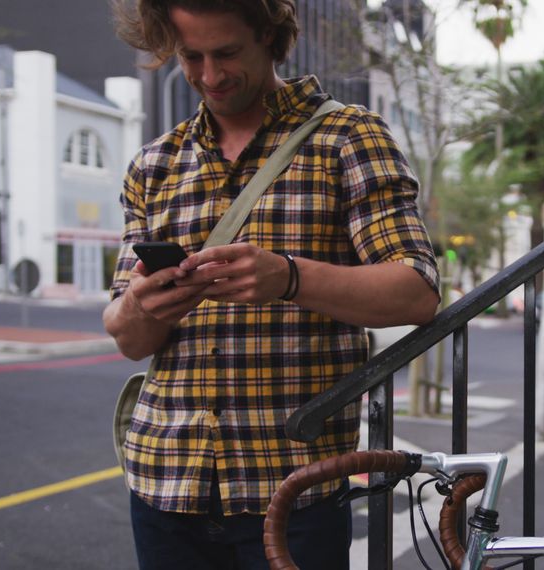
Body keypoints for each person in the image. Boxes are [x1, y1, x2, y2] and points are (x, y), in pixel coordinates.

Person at [104, 1, 440, 568]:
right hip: (164, 481)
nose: (209, 76)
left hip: (292, 494)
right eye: (191, 57)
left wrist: (289, 277)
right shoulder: (154, 164)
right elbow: (128, 337)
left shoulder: (346, 136)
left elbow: (416, 292)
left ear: (268, 35)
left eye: (227, 53)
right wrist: (144, 304)